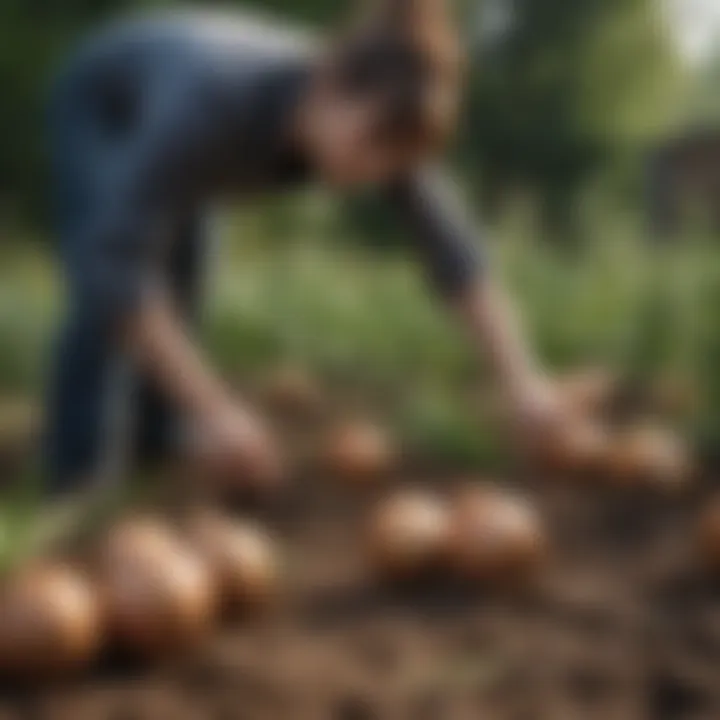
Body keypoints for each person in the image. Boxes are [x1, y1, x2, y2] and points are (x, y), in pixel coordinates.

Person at [45, 1, 572, 497]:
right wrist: (217, 408)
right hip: (107, 104)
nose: (375, 173)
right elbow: (117, 271)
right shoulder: (210, 104)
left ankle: (155, 447)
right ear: (327, 86)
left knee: (187, 279)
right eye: (369, 146)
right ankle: (77, 477)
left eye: (393, 162)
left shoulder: (392, 126)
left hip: (189, 139)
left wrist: (524, 383)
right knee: (107, 291)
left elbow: (456, 259)